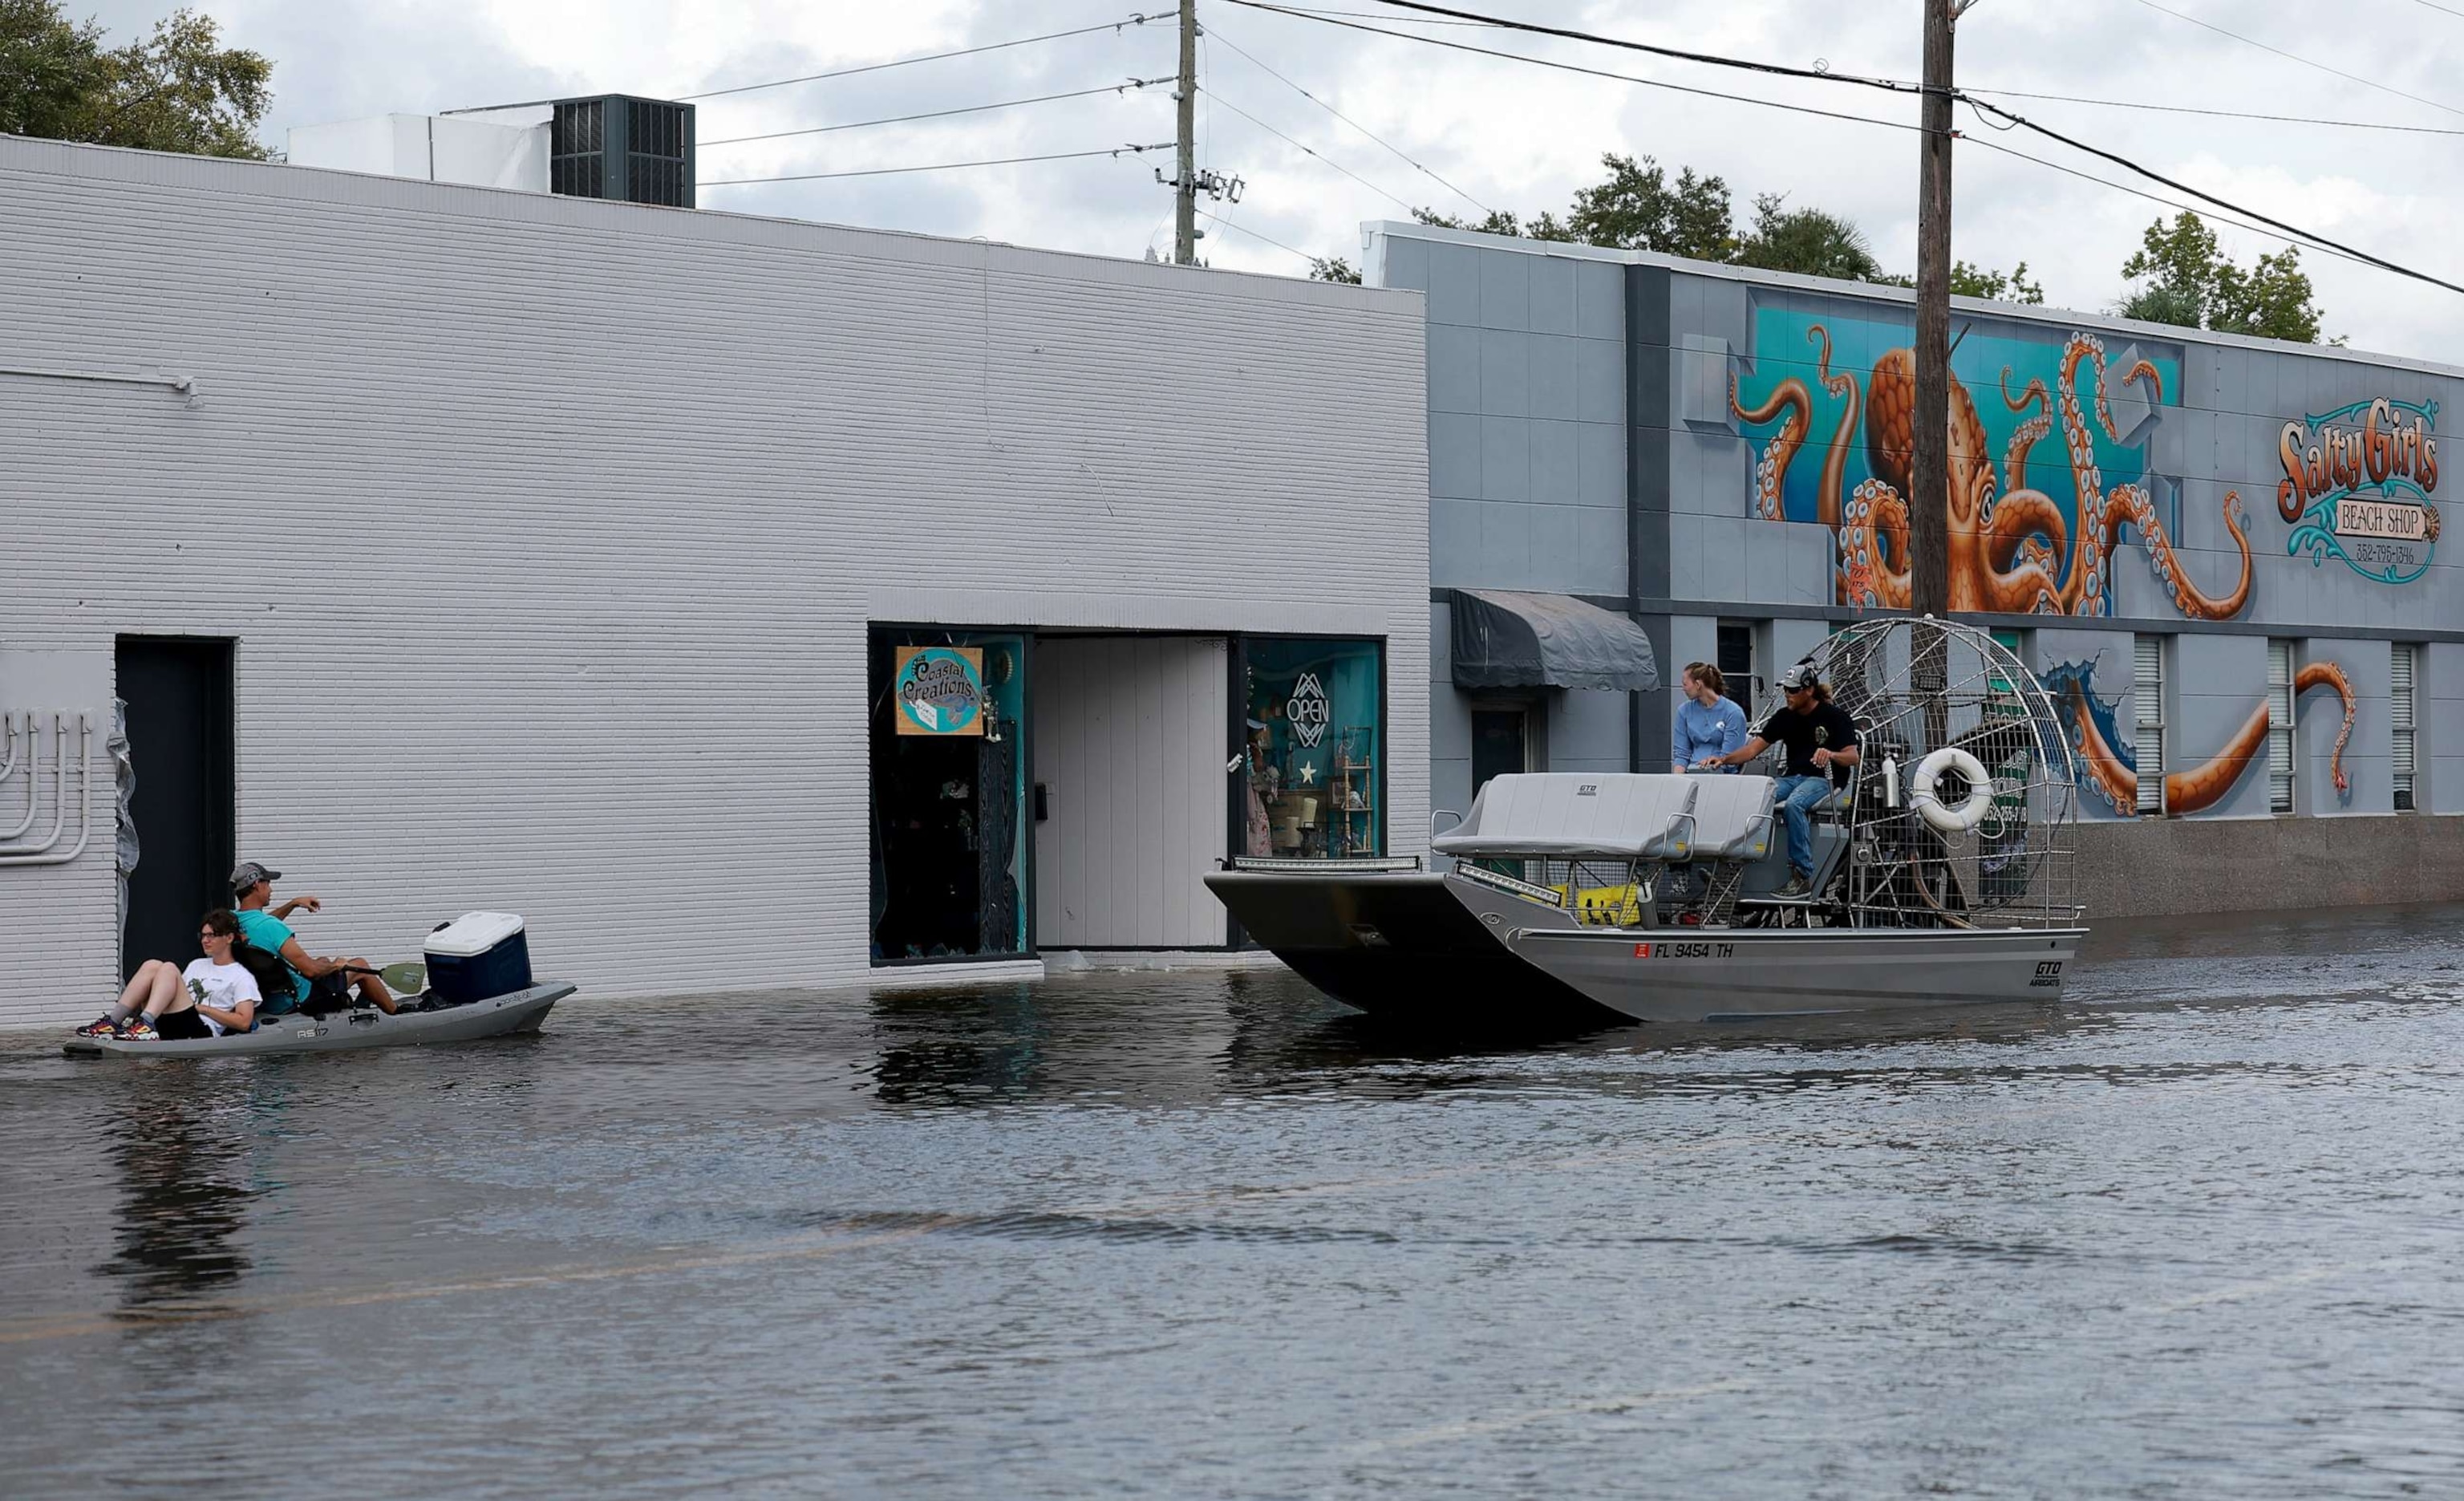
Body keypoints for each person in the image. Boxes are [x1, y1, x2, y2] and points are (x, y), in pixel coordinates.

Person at [1696, 661, 1861, 898]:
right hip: (1793, 777)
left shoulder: (1835, 716)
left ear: (1809, 690)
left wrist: (1831, 754)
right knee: (1753, 798)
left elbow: (1852, 757)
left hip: (1825, 779)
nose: (1787, 694)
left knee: (1795, 804)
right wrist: (1723, 759)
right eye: (1785, 689)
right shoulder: (1785, 716)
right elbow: (1752, 750)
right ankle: (1735, 866)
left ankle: (1802, 875)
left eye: (1793, 690)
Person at [229, 860, 397, 1016]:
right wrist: (337, 965)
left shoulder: (233, 921)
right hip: (299, 999)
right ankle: (395, 1014)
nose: (271, 890)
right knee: (359, 965)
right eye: (268, 884)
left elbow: (261, 923)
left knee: (322, 960)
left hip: (267, 999)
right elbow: (311, 971)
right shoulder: (272, 927)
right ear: (257, 884)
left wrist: (292, 904)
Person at [75, 908, 261, 1041]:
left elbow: (244, 1022)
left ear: (229, 938)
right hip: (172, 1020)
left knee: (169, 968)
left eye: (211, 935)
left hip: (200, 1029)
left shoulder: (241, 976)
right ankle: (113, 1023)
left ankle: (146, 1024)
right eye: (203, 935)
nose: (205, 940)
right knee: (153, 965)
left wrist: (204, 1009)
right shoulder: (197, 965)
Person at [1670, 662, 1748, 774]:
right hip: (1691, 772)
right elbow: (1681, 753)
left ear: (1698, 684)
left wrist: (1713, 766)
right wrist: (1677, 780)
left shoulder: (1733, 712)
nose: (1683, 689)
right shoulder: (1684, 711)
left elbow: (1730, 759)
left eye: (1685, 684)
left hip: (1722, 775)